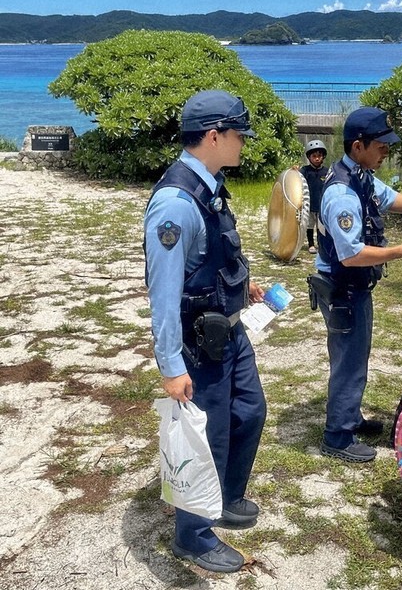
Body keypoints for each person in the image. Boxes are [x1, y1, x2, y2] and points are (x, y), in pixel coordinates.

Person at [143, 90, 267, 574]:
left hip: (230, 330)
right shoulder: (176, 203)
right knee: (205, 437)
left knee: (249, 412)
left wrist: (242, 285)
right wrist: (171, 367)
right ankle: (192, 535)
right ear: (214, 135)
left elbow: (213, 256)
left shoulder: (209, 184)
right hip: (200, 344)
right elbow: (164, 292)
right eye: (239, 135)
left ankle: (225, 497)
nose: (243, 144)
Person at [312, 106, 402, 463]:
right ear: (358, 145)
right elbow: (351, 254)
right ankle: (337, 436)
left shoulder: (360, 174)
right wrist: (401, 251)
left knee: (355, 355)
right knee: (349, 361)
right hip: (343, 288)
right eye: (381, 146)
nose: (387, 151)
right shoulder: (342, 192)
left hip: (354, 288)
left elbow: (388, 197)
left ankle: (350, 416)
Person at [300, 139, 329, 254]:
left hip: (322, 204)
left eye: (319, 156)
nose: (317, 158)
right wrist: (294, 170)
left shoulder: (327, 171)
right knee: (310, 226)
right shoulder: (305, 171)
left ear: (323, 157)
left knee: (321, 227)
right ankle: (311, 244)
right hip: (309, 205)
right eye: (314, 156)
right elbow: (295, 178)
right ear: (309, 157)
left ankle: (321, 244)